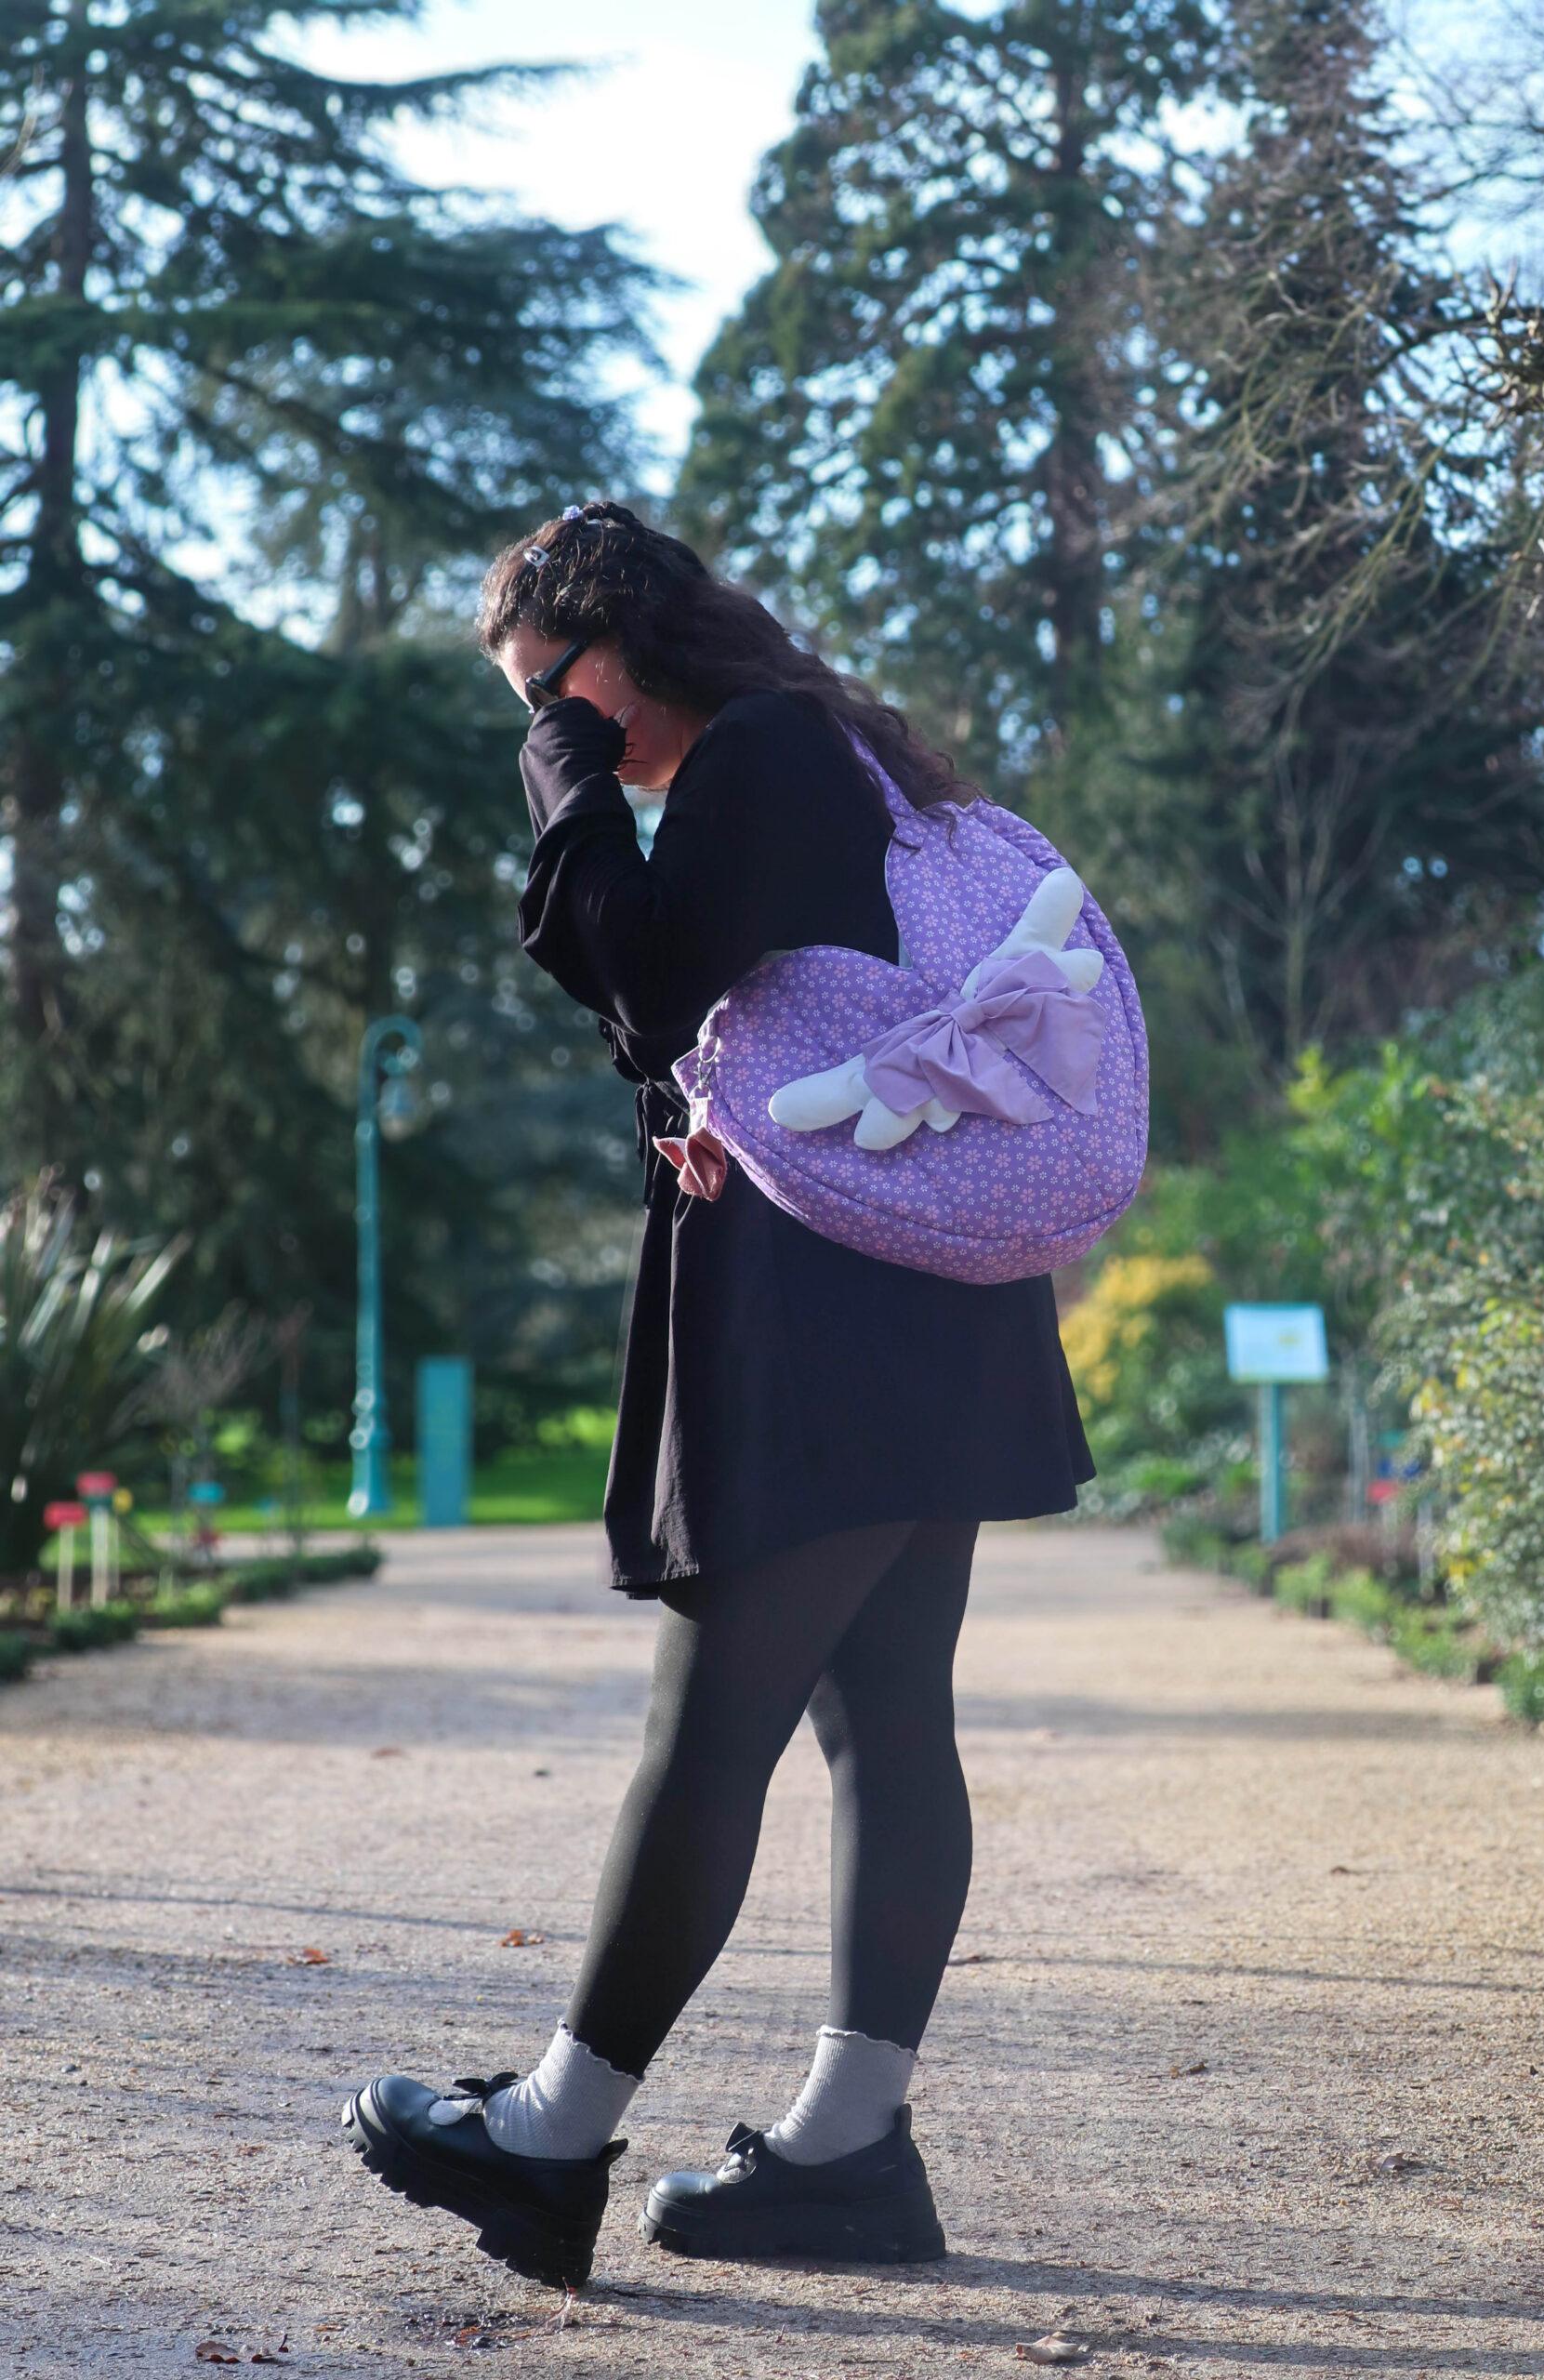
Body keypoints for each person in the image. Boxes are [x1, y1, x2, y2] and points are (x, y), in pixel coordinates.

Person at [343, 499, 1094, 2290]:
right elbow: (705, 1017)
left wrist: (563, 781)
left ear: (617, 649)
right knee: (885, 1721)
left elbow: (639, 960)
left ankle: (550, 2136)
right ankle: (852, 2148)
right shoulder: (831, 749)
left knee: (717, 1724)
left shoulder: (756, 747)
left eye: (557, 691)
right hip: (927, 1295)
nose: (559, 728)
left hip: (834, 1322)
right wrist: (695, 1107)